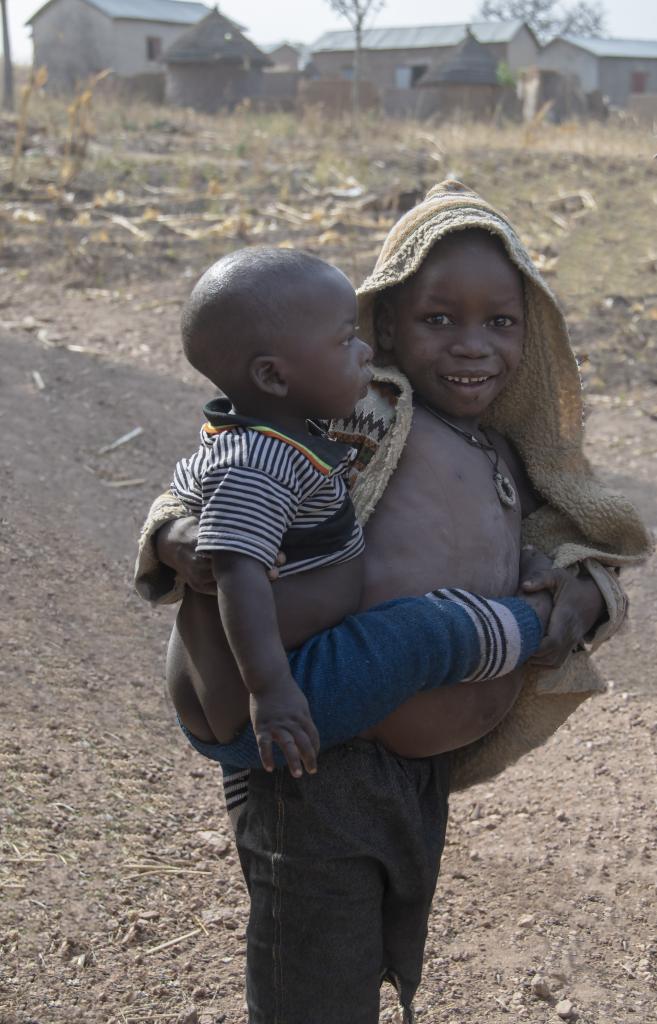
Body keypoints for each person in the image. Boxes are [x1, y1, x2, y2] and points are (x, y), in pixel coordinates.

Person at [135, 181, 651, 1023]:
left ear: (535, 331)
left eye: (501, 321)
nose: (472, 346)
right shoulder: (361, 411)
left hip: (408, 774)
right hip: (313, 757)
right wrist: (170, 533)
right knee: (315, 981)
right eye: (437, 319)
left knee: (361, 953)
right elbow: (221, 471)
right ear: (381, 324)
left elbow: (581, 549)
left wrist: (583, 594)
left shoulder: (513, 452)